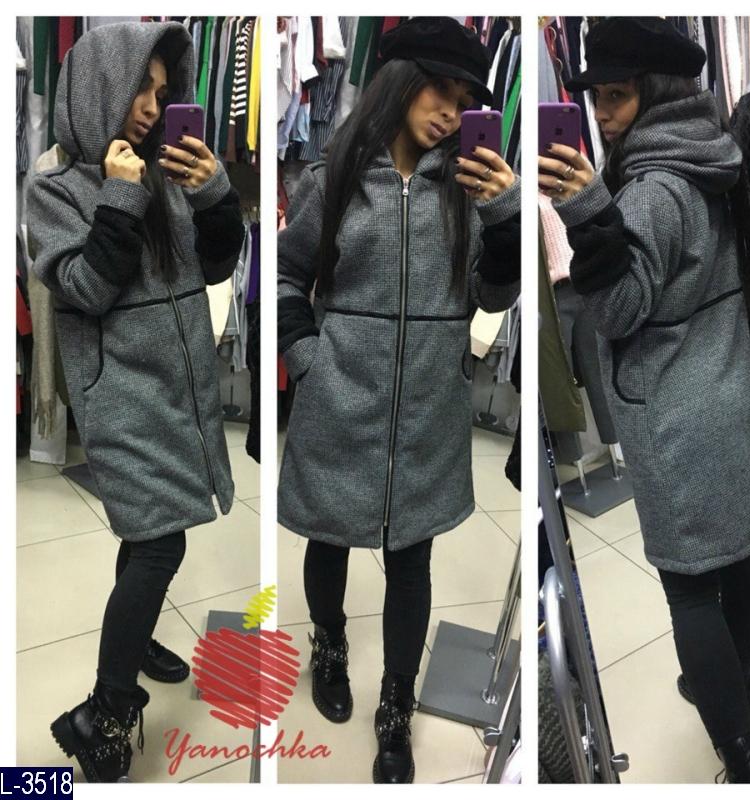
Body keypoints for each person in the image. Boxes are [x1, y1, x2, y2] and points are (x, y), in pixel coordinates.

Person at [278, 17, 520, 784]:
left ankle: (395, 704)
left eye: (465, 100)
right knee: (329, 538)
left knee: (411, 560)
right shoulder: (334, 178)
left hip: (427, 412)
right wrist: (307, 359)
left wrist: (505, 217)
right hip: (339, 397)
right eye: (438, 90)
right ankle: (329, 643)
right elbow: (286, 274)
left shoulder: (468, 190)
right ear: (398, 82)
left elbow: (493, 295)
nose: (451, 111)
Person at [537, 17, 750, 783]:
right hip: (725, 394)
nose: (602, 113)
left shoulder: (652, 189)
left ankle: (739, 755)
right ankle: (736, 688)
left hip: (672, 416)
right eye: (597, 97)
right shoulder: (711, 155)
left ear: (658, 93)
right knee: (735, 564)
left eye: (617, 96)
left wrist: (587, 213)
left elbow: (616, 312)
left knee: (689, 591)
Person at [26, 22, 245, 783]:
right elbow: (85, 288)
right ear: (98, 88)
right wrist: (119, 196)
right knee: (161, 544)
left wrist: (213, 192)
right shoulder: (53, 188)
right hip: (122, 398)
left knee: (149, 533)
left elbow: (217, 264)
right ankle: (105, 712)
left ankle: (136, 632)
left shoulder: (165, 171)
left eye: (160, 89)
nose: (153, 106)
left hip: (180, 391)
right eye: (137, 89)